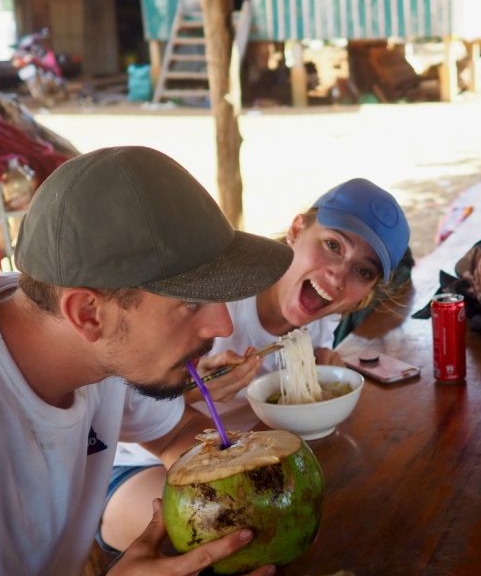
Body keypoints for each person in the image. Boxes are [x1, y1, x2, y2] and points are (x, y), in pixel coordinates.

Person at [0, 145, 295, 576]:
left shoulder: (106, 349)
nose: (220, 323)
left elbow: (171, 435)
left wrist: (245, 493)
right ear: (86, 313)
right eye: (190, 304)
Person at [99, 177, 411, 554]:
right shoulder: (215, 303)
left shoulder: (320, 315)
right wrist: (190, 392)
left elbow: (319, 347)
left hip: (245, 460)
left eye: (364, 271)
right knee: (223, 540)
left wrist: (323, 363)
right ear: (296, 230)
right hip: (134, 464)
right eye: (332, 246)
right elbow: (112, 401)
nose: (338, 275)